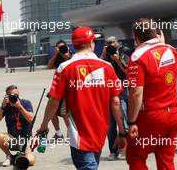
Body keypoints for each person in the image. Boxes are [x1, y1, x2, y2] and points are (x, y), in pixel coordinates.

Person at [37, 26, 126, 170]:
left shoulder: (65, 68)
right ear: (91, 43)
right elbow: (116, 102)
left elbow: (54, 101)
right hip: (99, 133)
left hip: (79, 135)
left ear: (74, 45)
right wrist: (122, 131)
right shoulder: (107, 67)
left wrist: (43, 126)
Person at [126, 18, 177, 170]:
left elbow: (136, 93)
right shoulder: (171, 50)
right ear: (157, 33)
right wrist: (161, 44)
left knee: (135, 156)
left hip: (151, 116)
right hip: (173, 114)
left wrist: (131, 122)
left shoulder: (138, 56)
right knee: (166, 161)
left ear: (136, 36)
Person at [0, 85, 35, 167]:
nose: (13, 98)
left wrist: (20, 107)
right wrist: (3, 106)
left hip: (26, 139)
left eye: (15, 95)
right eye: (10, 95)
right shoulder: (6, 106)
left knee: (30, 161)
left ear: (18, 94)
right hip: (12, 138)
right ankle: (9, 156)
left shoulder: (25, 103)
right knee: (0, 136)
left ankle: (20, 157)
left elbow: (31, 119)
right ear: (6, 96)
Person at [103, 36, 129, 161]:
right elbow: (95, 69)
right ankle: (113, 151)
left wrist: (118, 60)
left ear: (117, 43)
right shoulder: (105, 57)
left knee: (123, 119)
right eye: (108, 43)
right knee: (110, 125)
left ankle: (124, 149)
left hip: (122, 92)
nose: (110, 45)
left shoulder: (124, 54)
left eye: (112, 42)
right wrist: (103, 53)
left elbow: (127, 72)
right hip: (108, 92)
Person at [47, 40, 72, 141]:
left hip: (67, 88)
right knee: (51, 111)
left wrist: (63, 53)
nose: (61, 49)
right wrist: (56, 54)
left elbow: (69, 60)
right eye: (59, 47)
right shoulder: (56, 56)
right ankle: (58, 133)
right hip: (57, 87)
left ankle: (70, 134)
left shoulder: (70, 54)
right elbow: (49, 66)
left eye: (63, 47)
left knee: (65, 113)